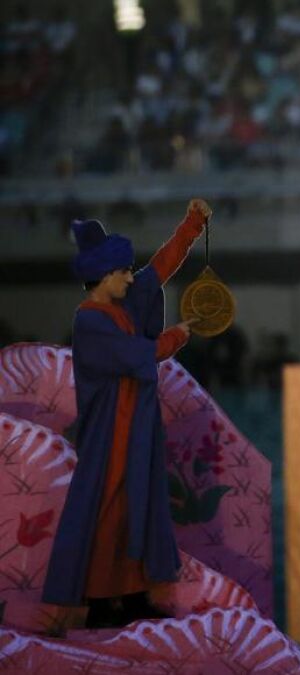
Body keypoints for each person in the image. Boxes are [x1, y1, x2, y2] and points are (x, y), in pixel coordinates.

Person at [43, 199, 211, 628]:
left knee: (139, 504)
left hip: (136, 425)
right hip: (110, 432)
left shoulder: (122, 305)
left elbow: (160, 268)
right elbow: (138, 353)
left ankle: (134, 597)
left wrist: (192, 224)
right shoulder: (90, 321)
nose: (131, 277)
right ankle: (101, 603)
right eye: (123, 272)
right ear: (104, 276)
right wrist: (177, 335)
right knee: (109, 510)